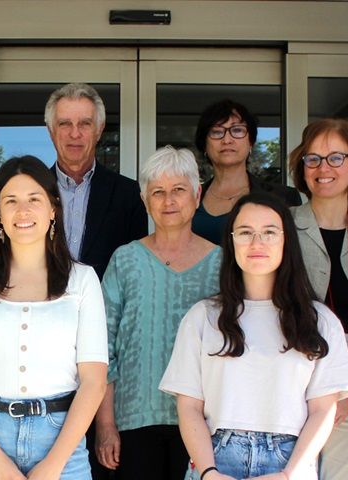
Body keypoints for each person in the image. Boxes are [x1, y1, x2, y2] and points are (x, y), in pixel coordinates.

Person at [160, 193, 348, 480]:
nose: (256, 243)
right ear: (231, 241)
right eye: (245, 233)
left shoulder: (319, 321)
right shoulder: (203, 317)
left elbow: (324, 410)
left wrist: (289, 474)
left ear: (286, 240)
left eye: (269, 233)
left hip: (290, 459)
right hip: (216, 456)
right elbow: (188, 407)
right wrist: (208, 472)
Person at [0, 155, 108, 479]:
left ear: (53, 208)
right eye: (11, 201)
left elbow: (93, 381)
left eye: (34, 199)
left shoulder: (83, 280)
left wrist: (54, 464)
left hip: (61, 439)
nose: (23, 211)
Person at [93, 146, 222, 479]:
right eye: (158, 192)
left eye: (179, 190)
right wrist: (106, 424)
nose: (169, 201)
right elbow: (102, 348)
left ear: (197, 194)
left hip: (206, 422)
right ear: (144, 199)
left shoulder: (222, 264)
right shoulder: (125, 260)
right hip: (134, 420)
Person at [287, 119, 348, 480]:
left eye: (335, 158)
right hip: (291, 396)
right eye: (312, 159)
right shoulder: (280, 227)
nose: (323, 168)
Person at [45, 82, 147, 279]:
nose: (75, 134)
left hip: (105, 309)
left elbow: (134, 271)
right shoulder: (34, 191)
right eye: (65, 123)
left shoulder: (128, 194)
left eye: (85, 123)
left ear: (99, 130)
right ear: (51, 132)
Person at [191, 99, 301, 244]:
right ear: (204, 145)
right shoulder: (190, 200)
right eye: (217, 132)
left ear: (251, 142)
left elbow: (293, 256)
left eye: (237, 130)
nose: (227, 140)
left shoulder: (283, 197)